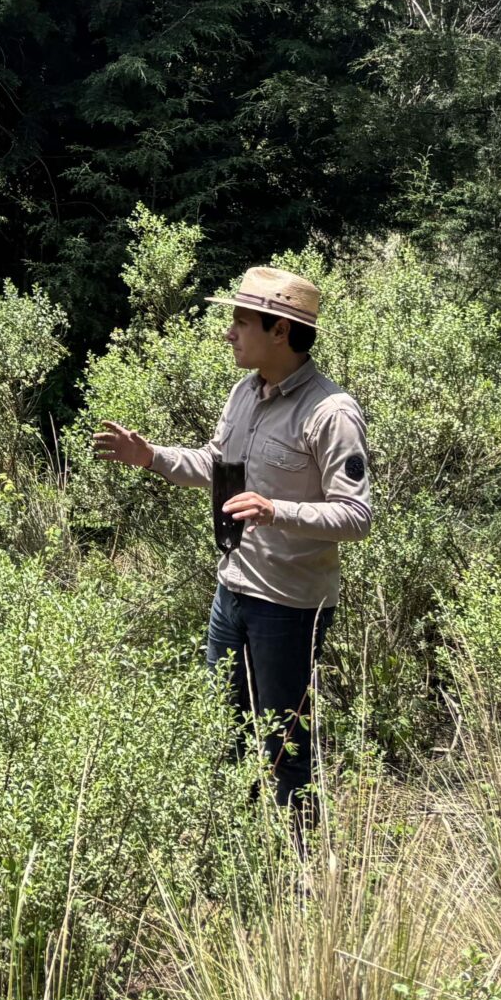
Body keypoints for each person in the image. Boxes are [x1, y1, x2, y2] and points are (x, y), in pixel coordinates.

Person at [92, 266, 372, 815]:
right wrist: (151, 457)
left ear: (280, 331)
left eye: (241, 322)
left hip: (289, 607)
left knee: (285, 749)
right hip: (232, 591)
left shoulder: (332, 413)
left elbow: (356, 516)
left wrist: (275, 510)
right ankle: (238, 850)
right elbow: (216, 464)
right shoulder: (245, 392)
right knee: (226, 734)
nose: (229, 333)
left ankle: (300, 860)